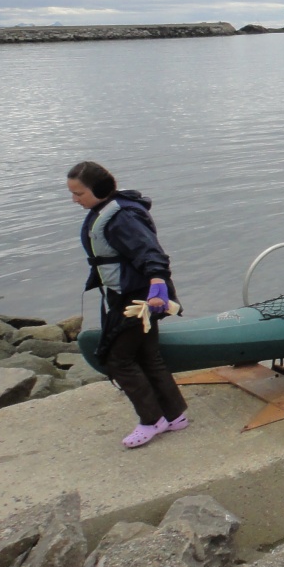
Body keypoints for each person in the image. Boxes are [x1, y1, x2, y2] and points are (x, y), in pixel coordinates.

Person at [67, 161, 188, 449]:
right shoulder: (108, 210)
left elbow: (150, 251)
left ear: (100, 189)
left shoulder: (122, 217)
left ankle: (151, 420)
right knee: (147, 354)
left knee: (117, 359)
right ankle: (175, 415)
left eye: (79, 193)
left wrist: (157, 284)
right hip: (129, 291)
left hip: (139, 297)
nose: (74, 200)